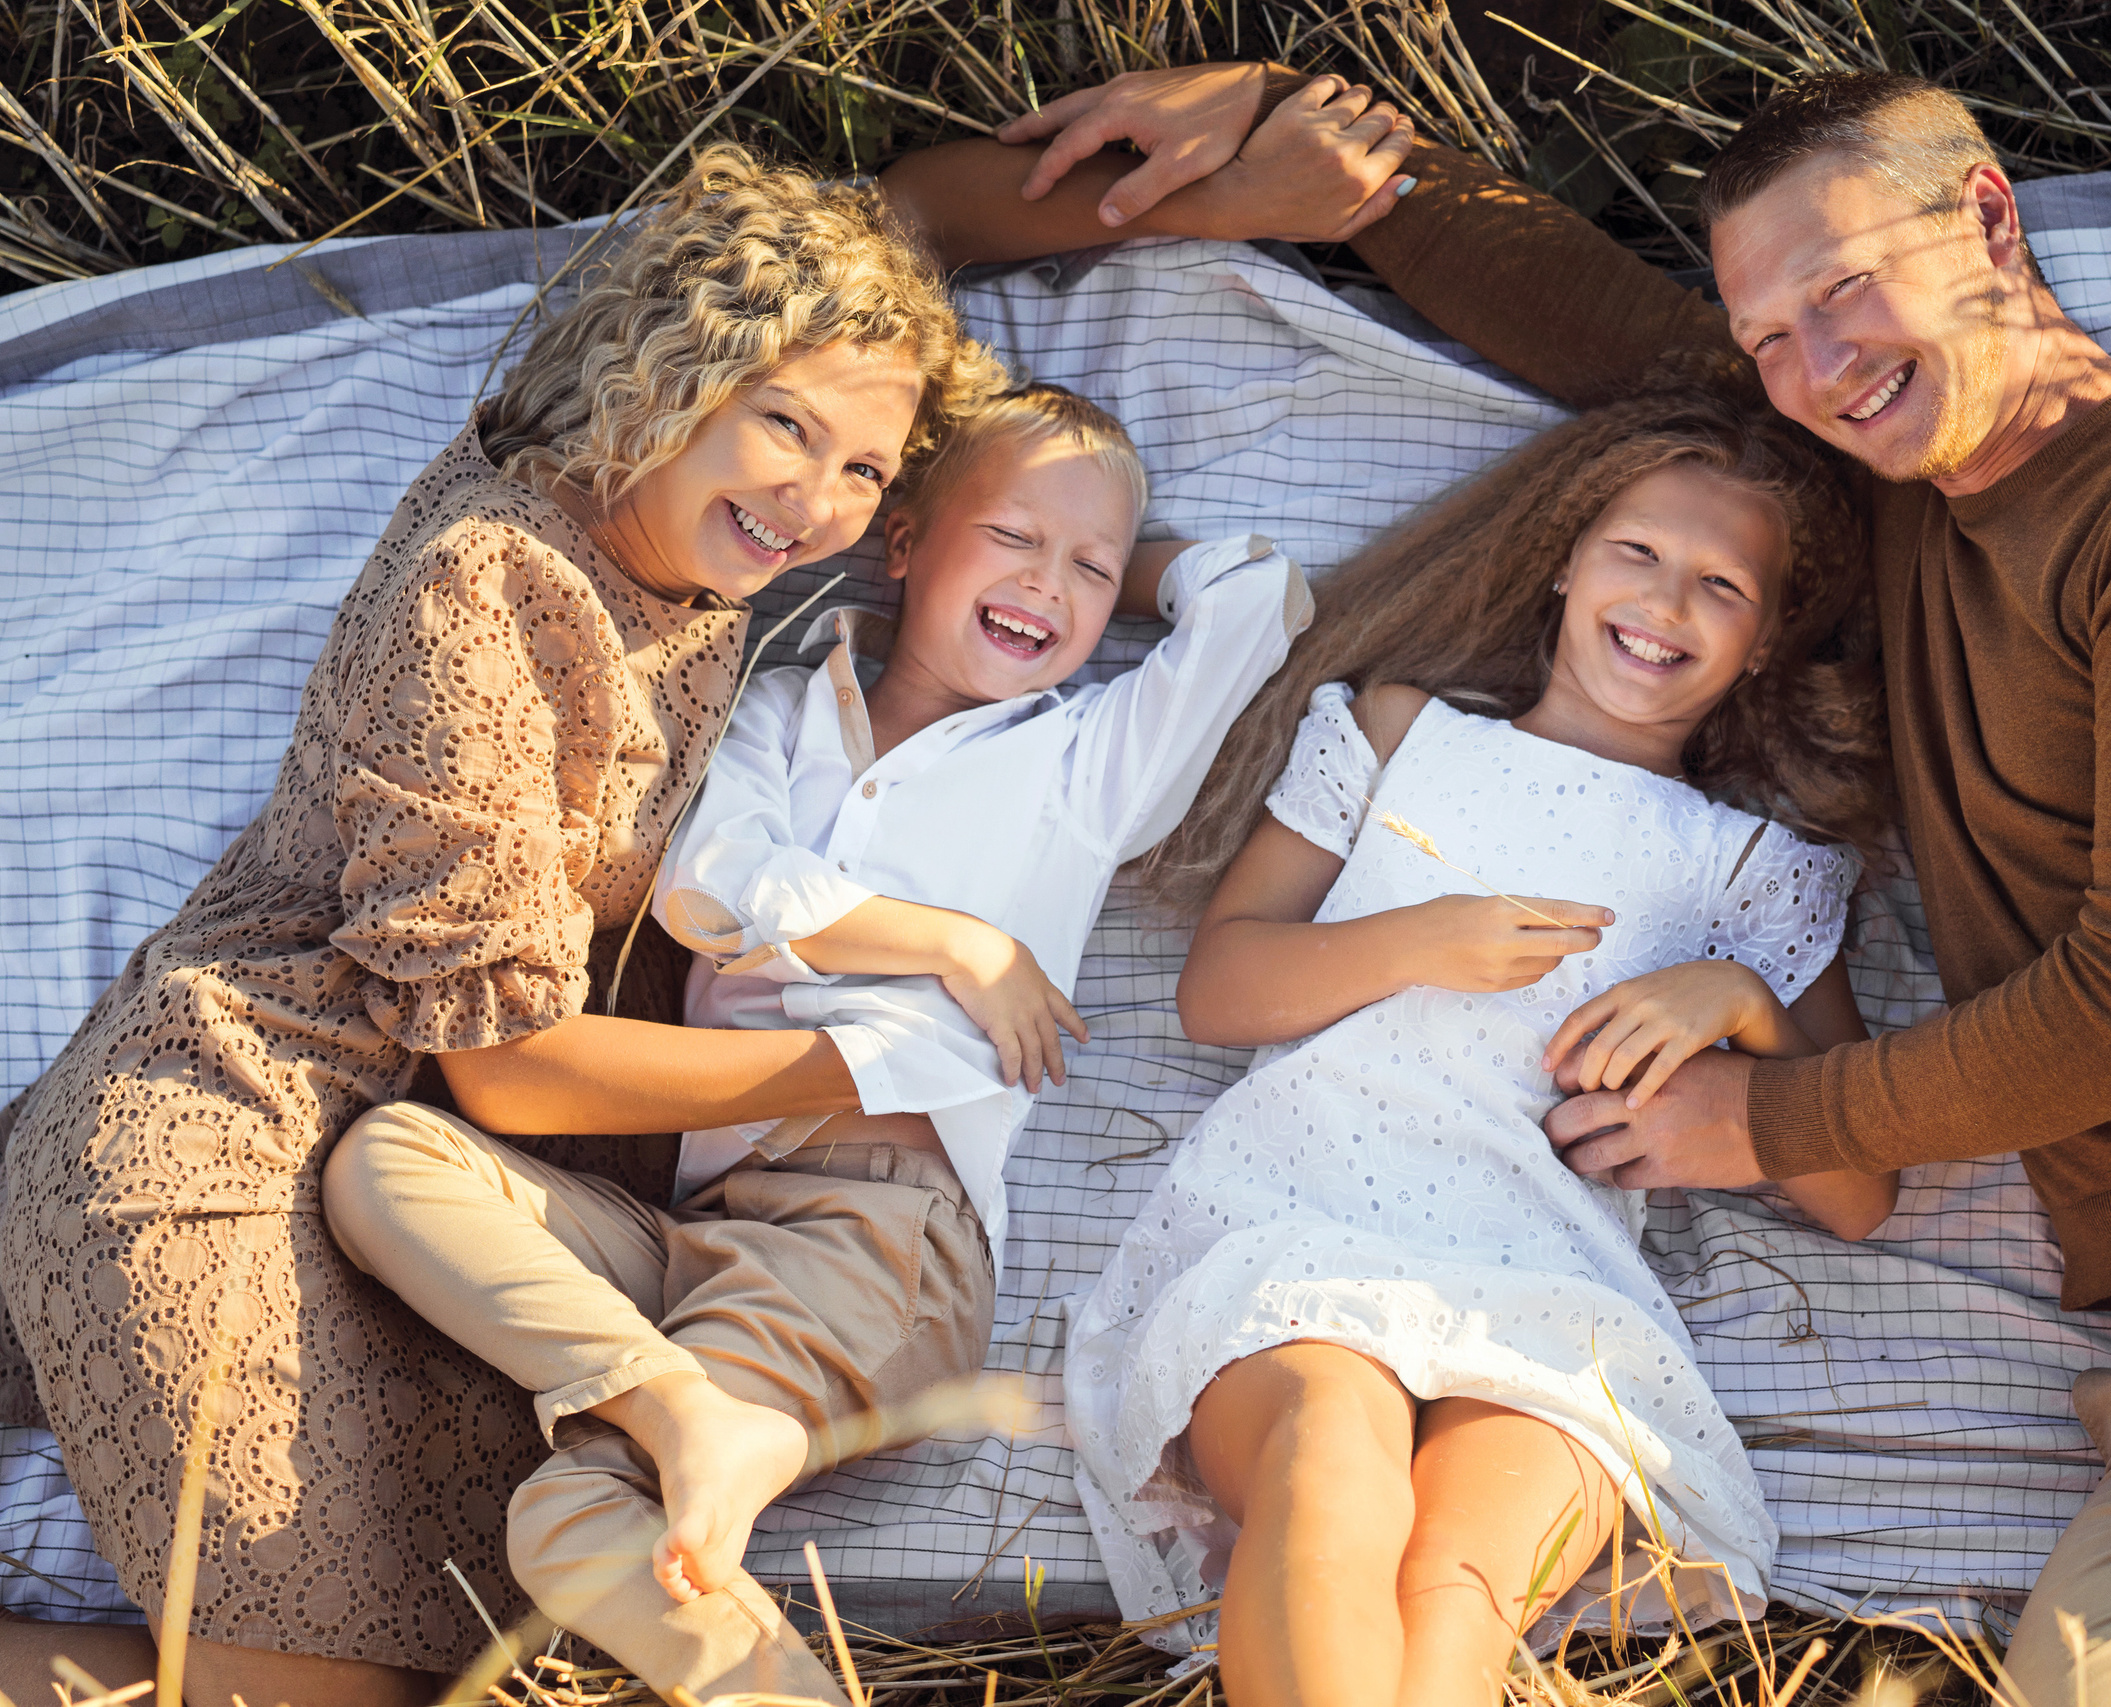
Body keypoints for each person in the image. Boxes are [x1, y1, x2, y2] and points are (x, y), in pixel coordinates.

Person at [969, 62, 2111, 1706]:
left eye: (1846, 290)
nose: (1818, 368)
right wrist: (1354, 175)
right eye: (1770, 337)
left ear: (1988, 221)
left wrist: (1759, 1116)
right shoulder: (1888, 503)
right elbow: (1645, 381)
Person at [0, 80, 1414, 1707]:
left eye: (867, 466)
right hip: (245, 1132)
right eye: (783, 428)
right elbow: (509, 1065)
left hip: (455, 1214)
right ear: (670, 374)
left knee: (480, 1631)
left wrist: (1229, 198)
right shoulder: (488, 597)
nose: (817, 499)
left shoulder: (718, 561)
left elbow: (908, 232)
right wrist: (886, 1062)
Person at [319, 385, 1308, 1704]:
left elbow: (1260, 597)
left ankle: (715, 1493)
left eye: (1086, 566)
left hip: (876, 1238)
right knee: (386, 1164)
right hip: (703, 1226)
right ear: (902, 541)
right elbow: (709, 886)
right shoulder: (785, 705)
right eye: (1011, 536)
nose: (1050, 584)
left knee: (564, 1524)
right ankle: (682, 1407)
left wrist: (1120, 561)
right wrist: (959, 948)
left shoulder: (1085, 765)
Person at [1066, 391, 1899, 1707]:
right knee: (1325, 1484)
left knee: (1454, 1585)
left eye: (1720, 586)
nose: (1665, 603)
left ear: (1765, 640)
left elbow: (1856, 1198)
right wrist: (1414, 941)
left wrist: (1738, 1001)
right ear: (1567, 561)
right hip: (1301, 1223)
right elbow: (1218, 991)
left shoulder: (1750, 870)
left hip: (1548, 1280)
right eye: (1635, 555)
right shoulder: (1398, 732)